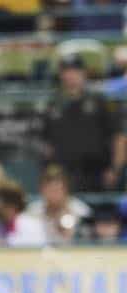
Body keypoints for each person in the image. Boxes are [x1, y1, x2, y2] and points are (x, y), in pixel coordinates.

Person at [41, 53, 124, 192]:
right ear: (61, 75)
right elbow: (47, 143)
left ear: (84, 73)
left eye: (75, 70)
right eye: (66, 71)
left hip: (97, 172)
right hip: (64, 174)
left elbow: (119, 137)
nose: (70, 75)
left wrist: (115, 169)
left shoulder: (100, 101)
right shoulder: (53, 104)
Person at [12, 165, 91, 246]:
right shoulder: (32, 211)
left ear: (66, 190)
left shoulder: (80, 211)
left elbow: (87, 241)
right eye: (50, 190)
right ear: (42, 190)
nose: (53, 195)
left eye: (57, 190)